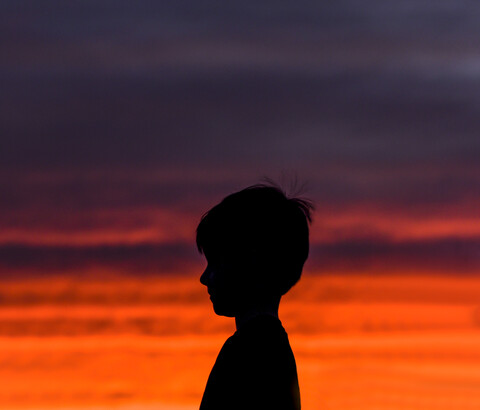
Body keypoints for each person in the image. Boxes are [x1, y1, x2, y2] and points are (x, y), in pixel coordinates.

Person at [196, 182, 314, 410]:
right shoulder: (271, 348)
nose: (204, 277)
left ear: (249, 263)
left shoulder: (247, 353)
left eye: (215, 263)